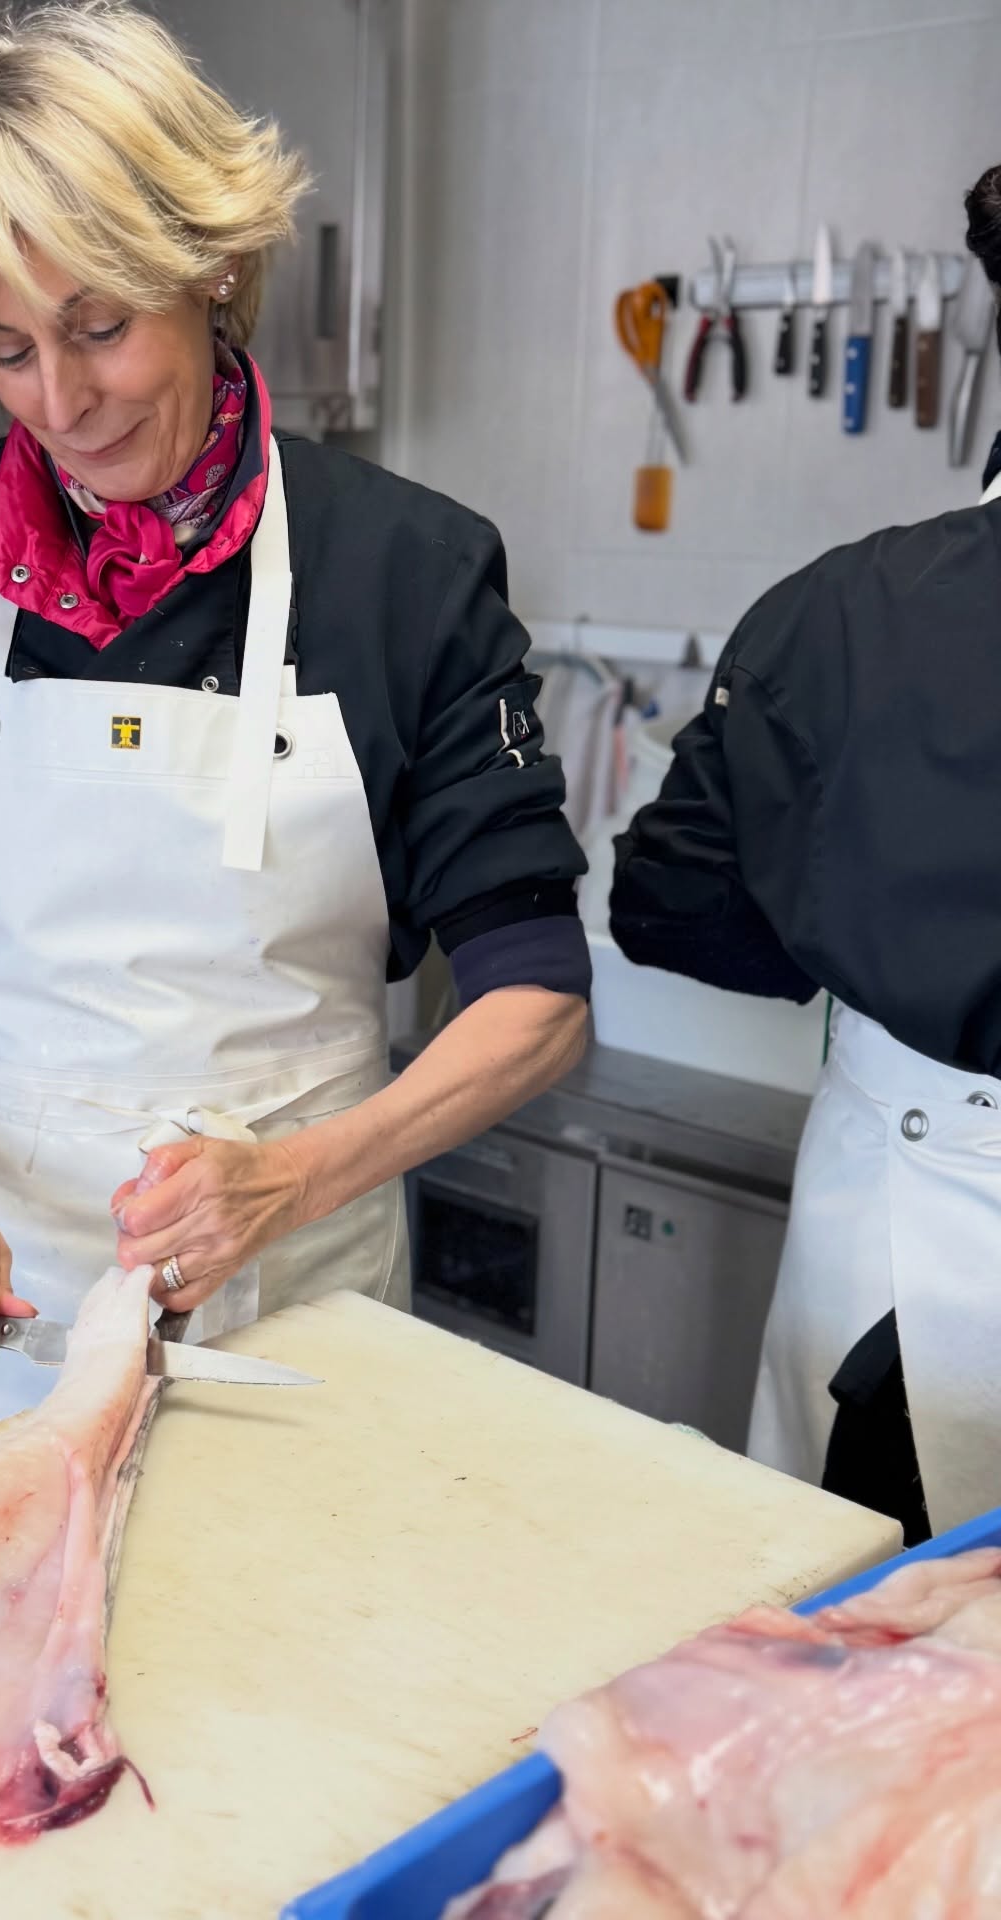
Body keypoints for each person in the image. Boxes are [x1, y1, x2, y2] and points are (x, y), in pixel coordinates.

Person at [0, 1, 590, 1473]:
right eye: (5, 350)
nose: (63, 403)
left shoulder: (402, 574)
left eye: (99, 328)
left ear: (209, 265)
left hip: (301, 1334)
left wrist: (291, 1182)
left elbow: (536, 995)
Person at [609, 165, 1001, 1547]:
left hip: (920, 1266)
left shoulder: (852, 616)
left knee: (881, 1698)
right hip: (922, 1276)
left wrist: (858, 920)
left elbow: (672, 908)